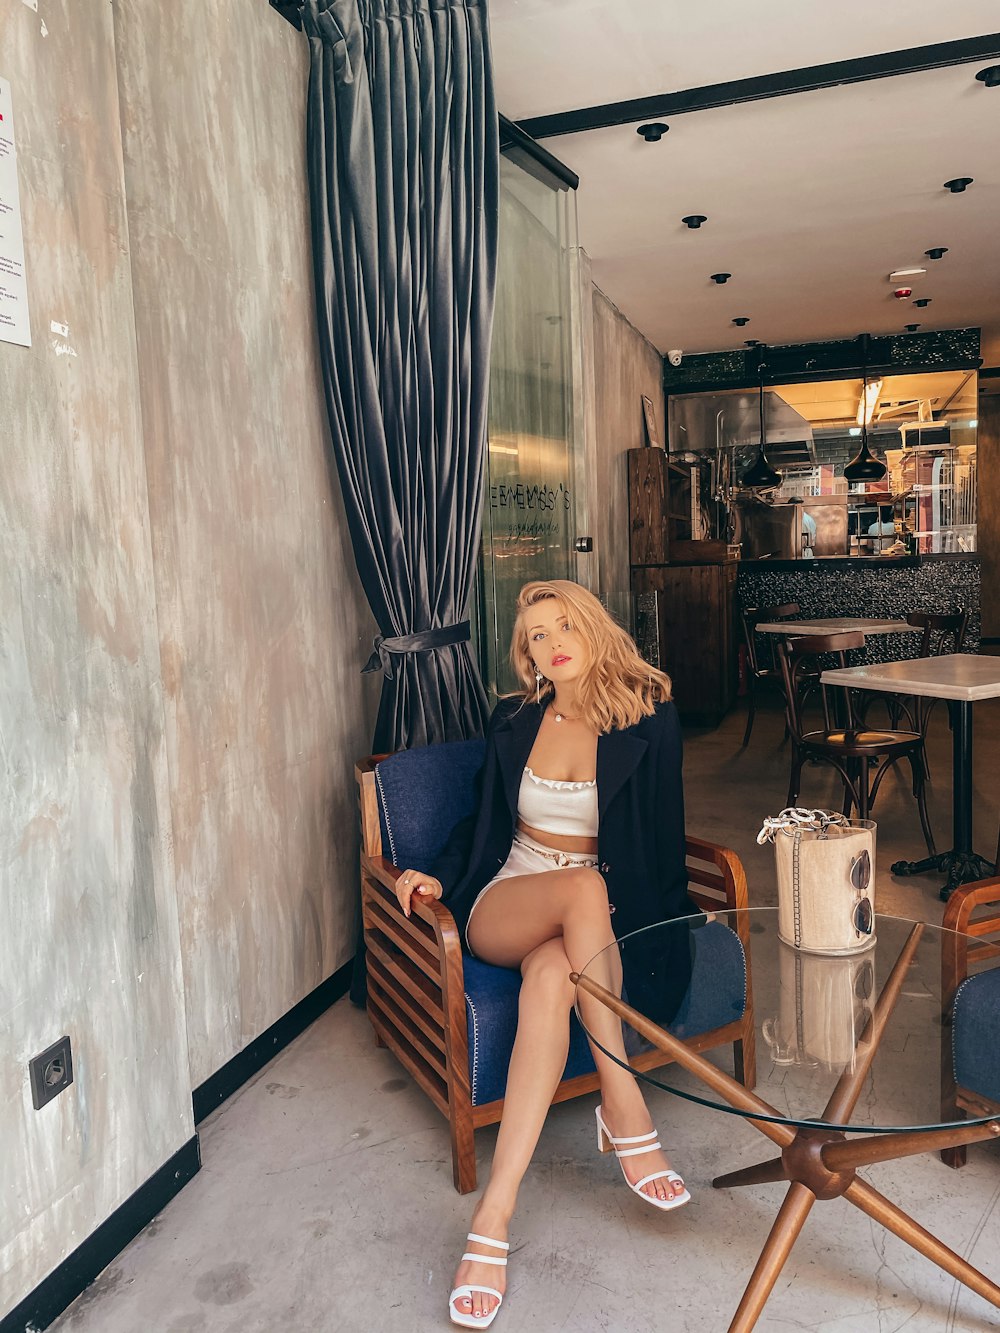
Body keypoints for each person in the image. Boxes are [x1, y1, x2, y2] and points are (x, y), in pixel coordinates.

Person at [393, 579, 699, 1329]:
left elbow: (662, 843)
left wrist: (664, 939)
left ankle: (491, 1222)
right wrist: (437, 867)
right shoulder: (515, 718)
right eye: (535, 634)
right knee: (580, 891)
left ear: (593, 626)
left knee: (554, 973)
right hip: (510, 893)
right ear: (526, 654)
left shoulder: (648, 718)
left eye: (564, 624)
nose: (552, 641)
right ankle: (623, 1105)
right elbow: (481, 818)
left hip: (596, 919)